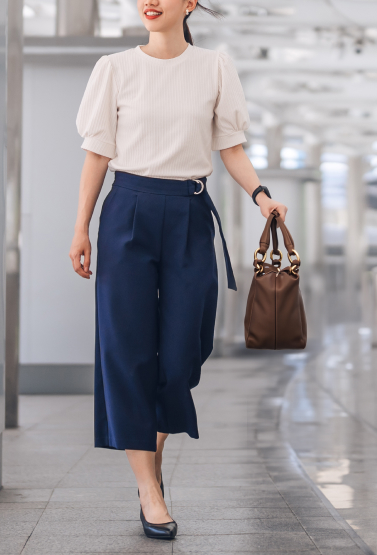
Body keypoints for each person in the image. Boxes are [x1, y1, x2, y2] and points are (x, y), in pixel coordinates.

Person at [68, 0, 286, 540]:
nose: (150, 1)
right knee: (128, 349)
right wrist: (80, 228)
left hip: (189, 212)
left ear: (190, 3)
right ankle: (148, 489)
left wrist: (260, 195)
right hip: (127, 213)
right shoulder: (114, 69)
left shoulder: (214, 67)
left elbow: (229, 146)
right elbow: (97, 153)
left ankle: (152, 451)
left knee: (186, 349)